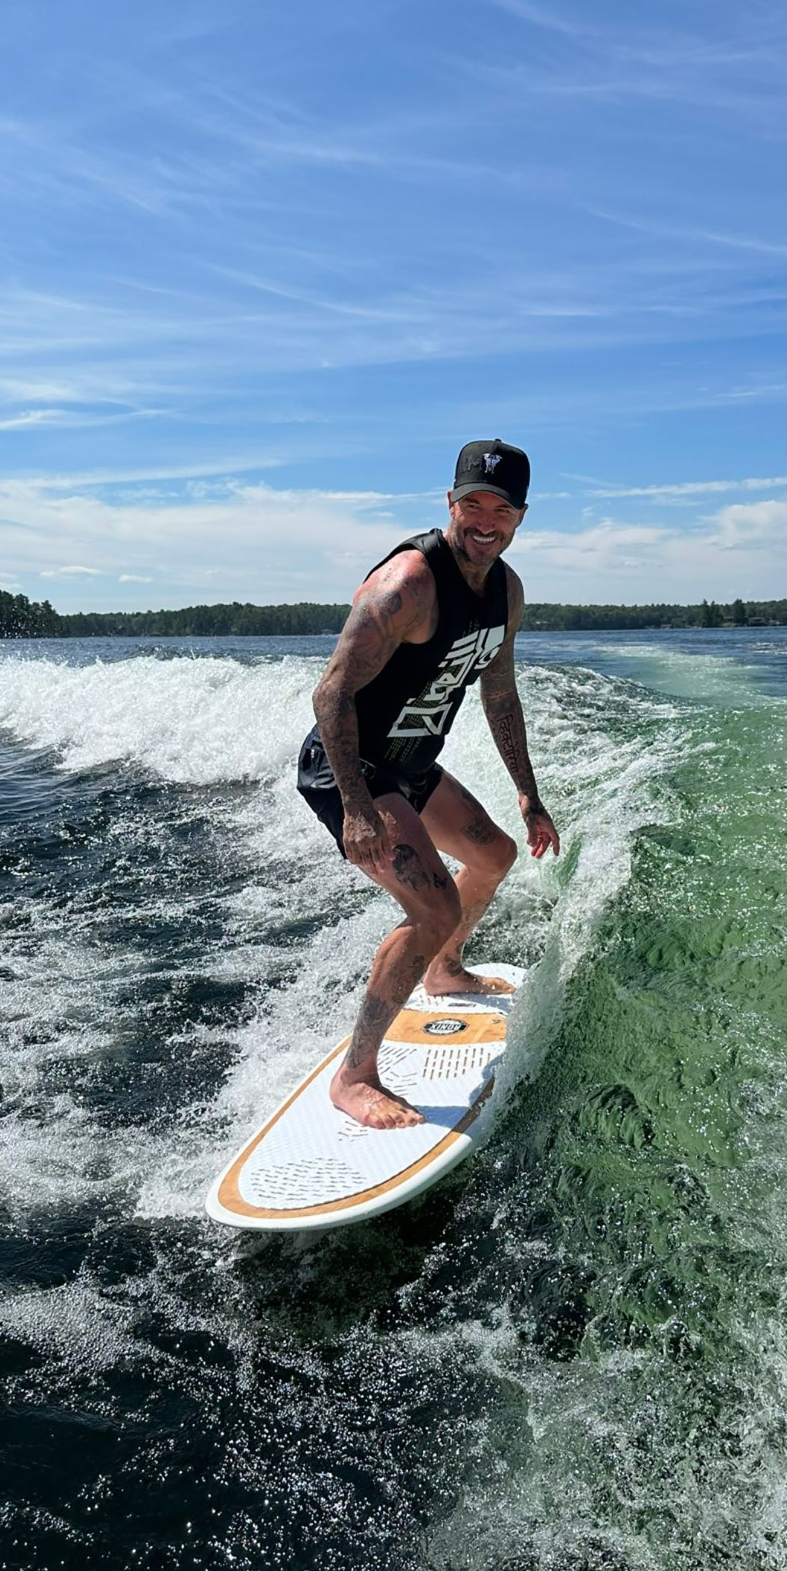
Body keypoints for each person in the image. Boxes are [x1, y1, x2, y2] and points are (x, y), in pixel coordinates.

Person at [296, 438, 560, 1130]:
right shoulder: (408, 585)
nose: (484, 520)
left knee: (494, 856)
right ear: (450, 503)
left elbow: (500, 696)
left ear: (520, 517)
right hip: (349, 767)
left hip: (410, 765)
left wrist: (528, 795)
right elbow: (331, 695)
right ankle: (354, 1077)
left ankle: (443, 969)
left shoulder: (506, 591)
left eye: (499, 509)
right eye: (471, 504)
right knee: (434, 904)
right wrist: (356, 808)